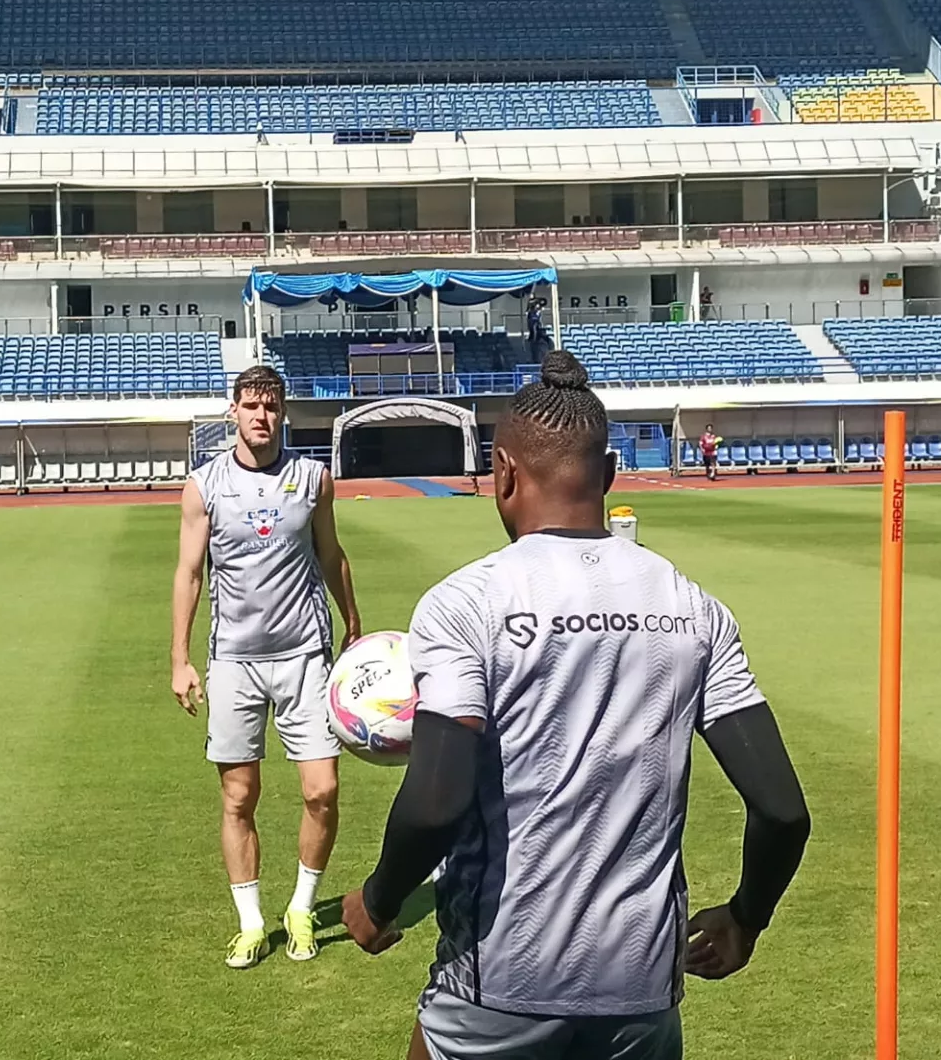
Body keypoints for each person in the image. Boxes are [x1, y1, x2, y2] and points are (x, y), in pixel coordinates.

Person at [341, 350, 810, 1060]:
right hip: (640, 991)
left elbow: (436, 801)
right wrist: (747, 915)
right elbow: (782, 808)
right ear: (611, 474)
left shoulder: (466, 602)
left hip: (500, 982)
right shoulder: (693, 606)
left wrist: (378, 902)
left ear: (502, 472)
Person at [171, 364, 362, 970]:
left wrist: (353, 624)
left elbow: (331, 554)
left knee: (323, 790)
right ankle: (252, 922)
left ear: (285, 413)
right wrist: (179, 659)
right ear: (233, 411)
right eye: (250, 405)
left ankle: (301, 909)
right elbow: (190, 574)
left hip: (306, 655)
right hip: (235, 661)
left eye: (271, 406)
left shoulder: (313, 479)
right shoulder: (204, 486)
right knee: (239, 796)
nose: (261, 416)